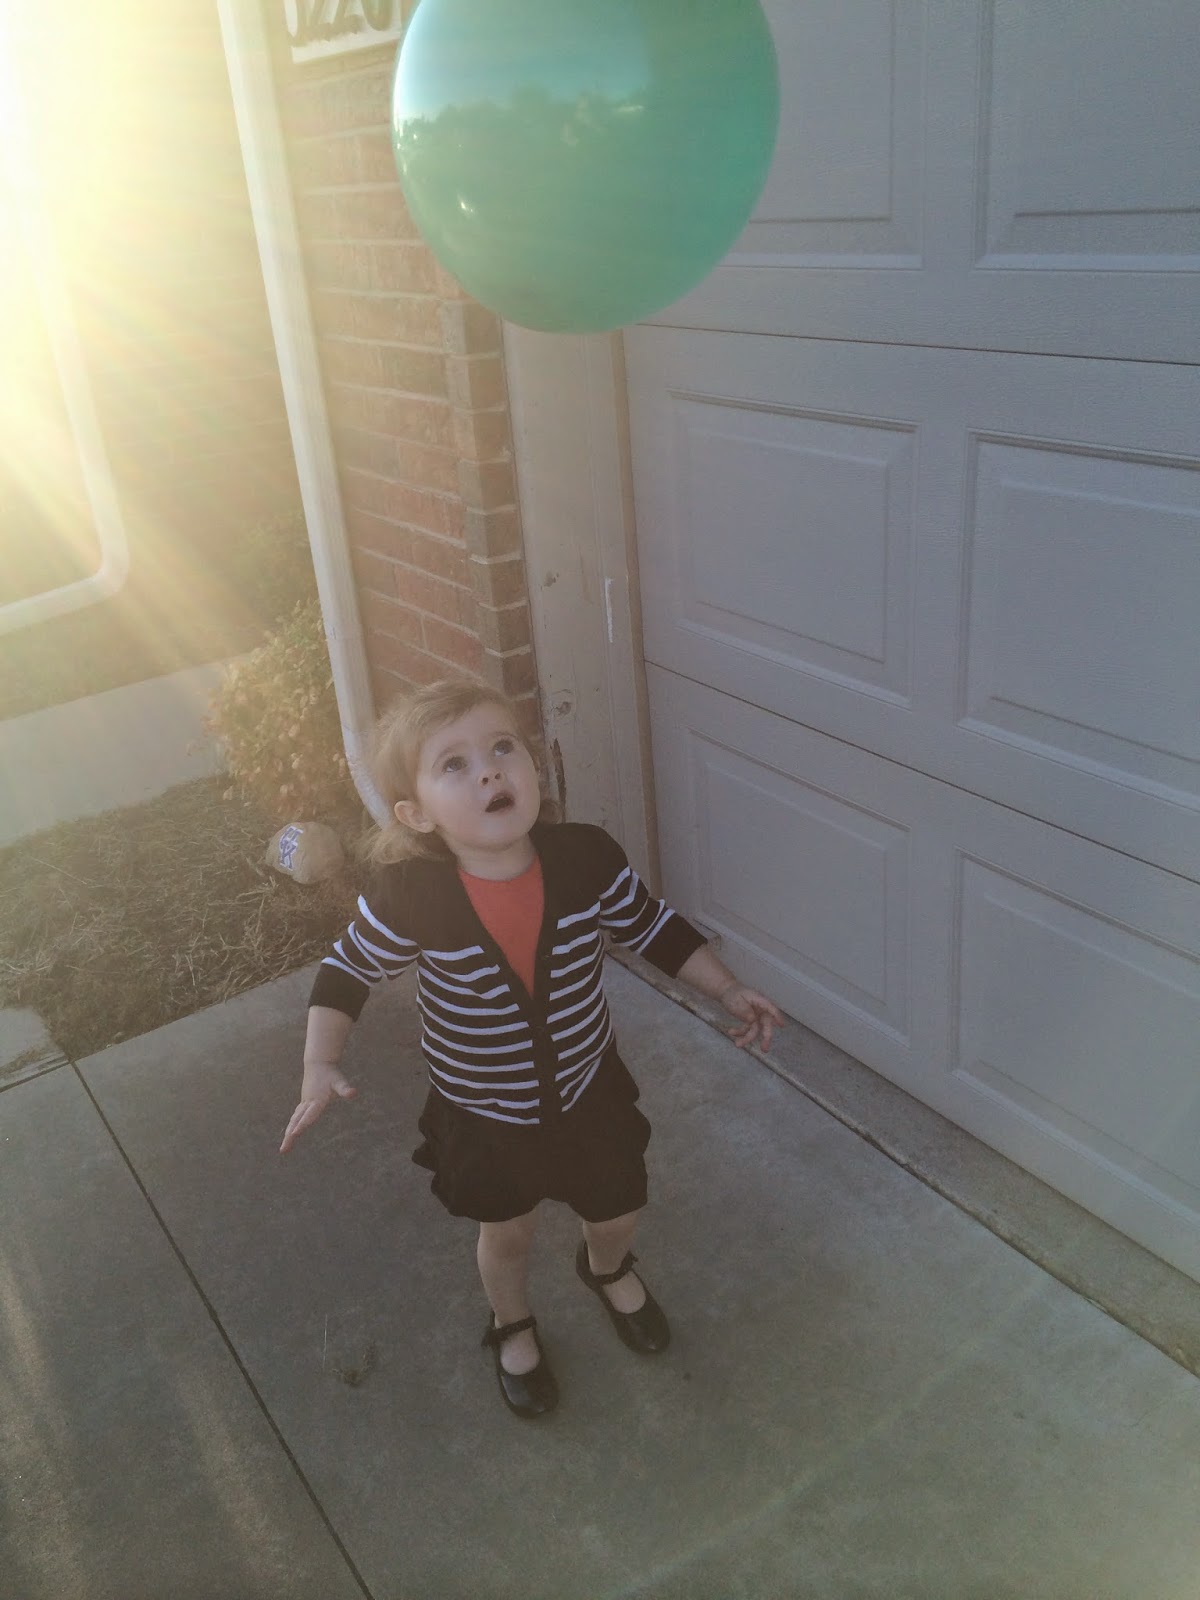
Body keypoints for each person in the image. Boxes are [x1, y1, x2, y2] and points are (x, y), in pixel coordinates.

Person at [281, 675, 783, 1419]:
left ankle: (606, 1269)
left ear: (531, 766)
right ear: (416, 813)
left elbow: (652, 926)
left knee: (615, 1207)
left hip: (587, 1091)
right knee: (508, 1233)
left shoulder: (584, 859)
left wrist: (726, 987)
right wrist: (320, 1062)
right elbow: (347, 969)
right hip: (485, 1114)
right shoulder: (412, 896)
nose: (488, 771)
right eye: (454, 764)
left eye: (502, 748)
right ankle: (512, 1321)